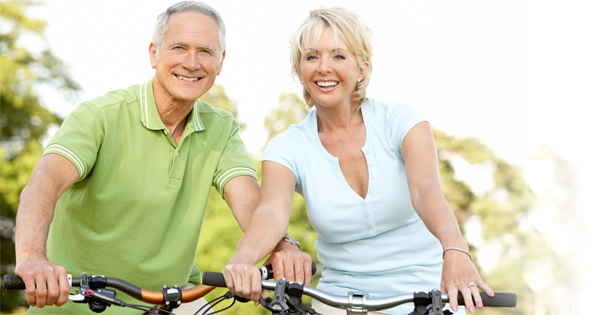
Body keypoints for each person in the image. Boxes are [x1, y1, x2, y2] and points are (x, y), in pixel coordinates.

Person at [14, 2, 310, 314]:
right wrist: (33, 257)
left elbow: (251, 205)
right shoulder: (99, 116)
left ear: (220, 61)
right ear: (154, 53)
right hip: (81, 301)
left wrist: (282, 246)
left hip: (171, 301)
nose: (192, 62)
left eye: (205, 51)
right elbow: (44, 183)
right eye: (179, 47)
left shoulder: (220, 129)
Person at [223, 7, 495, 315]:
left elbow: (425, 190)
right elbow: (270, 214)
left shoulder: (403, 121)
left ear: (362, 68)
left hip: (426, 292)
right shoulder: (286, 147)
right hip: (340, 299)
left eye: (338, 56)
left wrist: (456, 250)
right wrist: (243, 259)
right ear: (299, 69)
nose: (323, 67)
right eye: (312, 57)